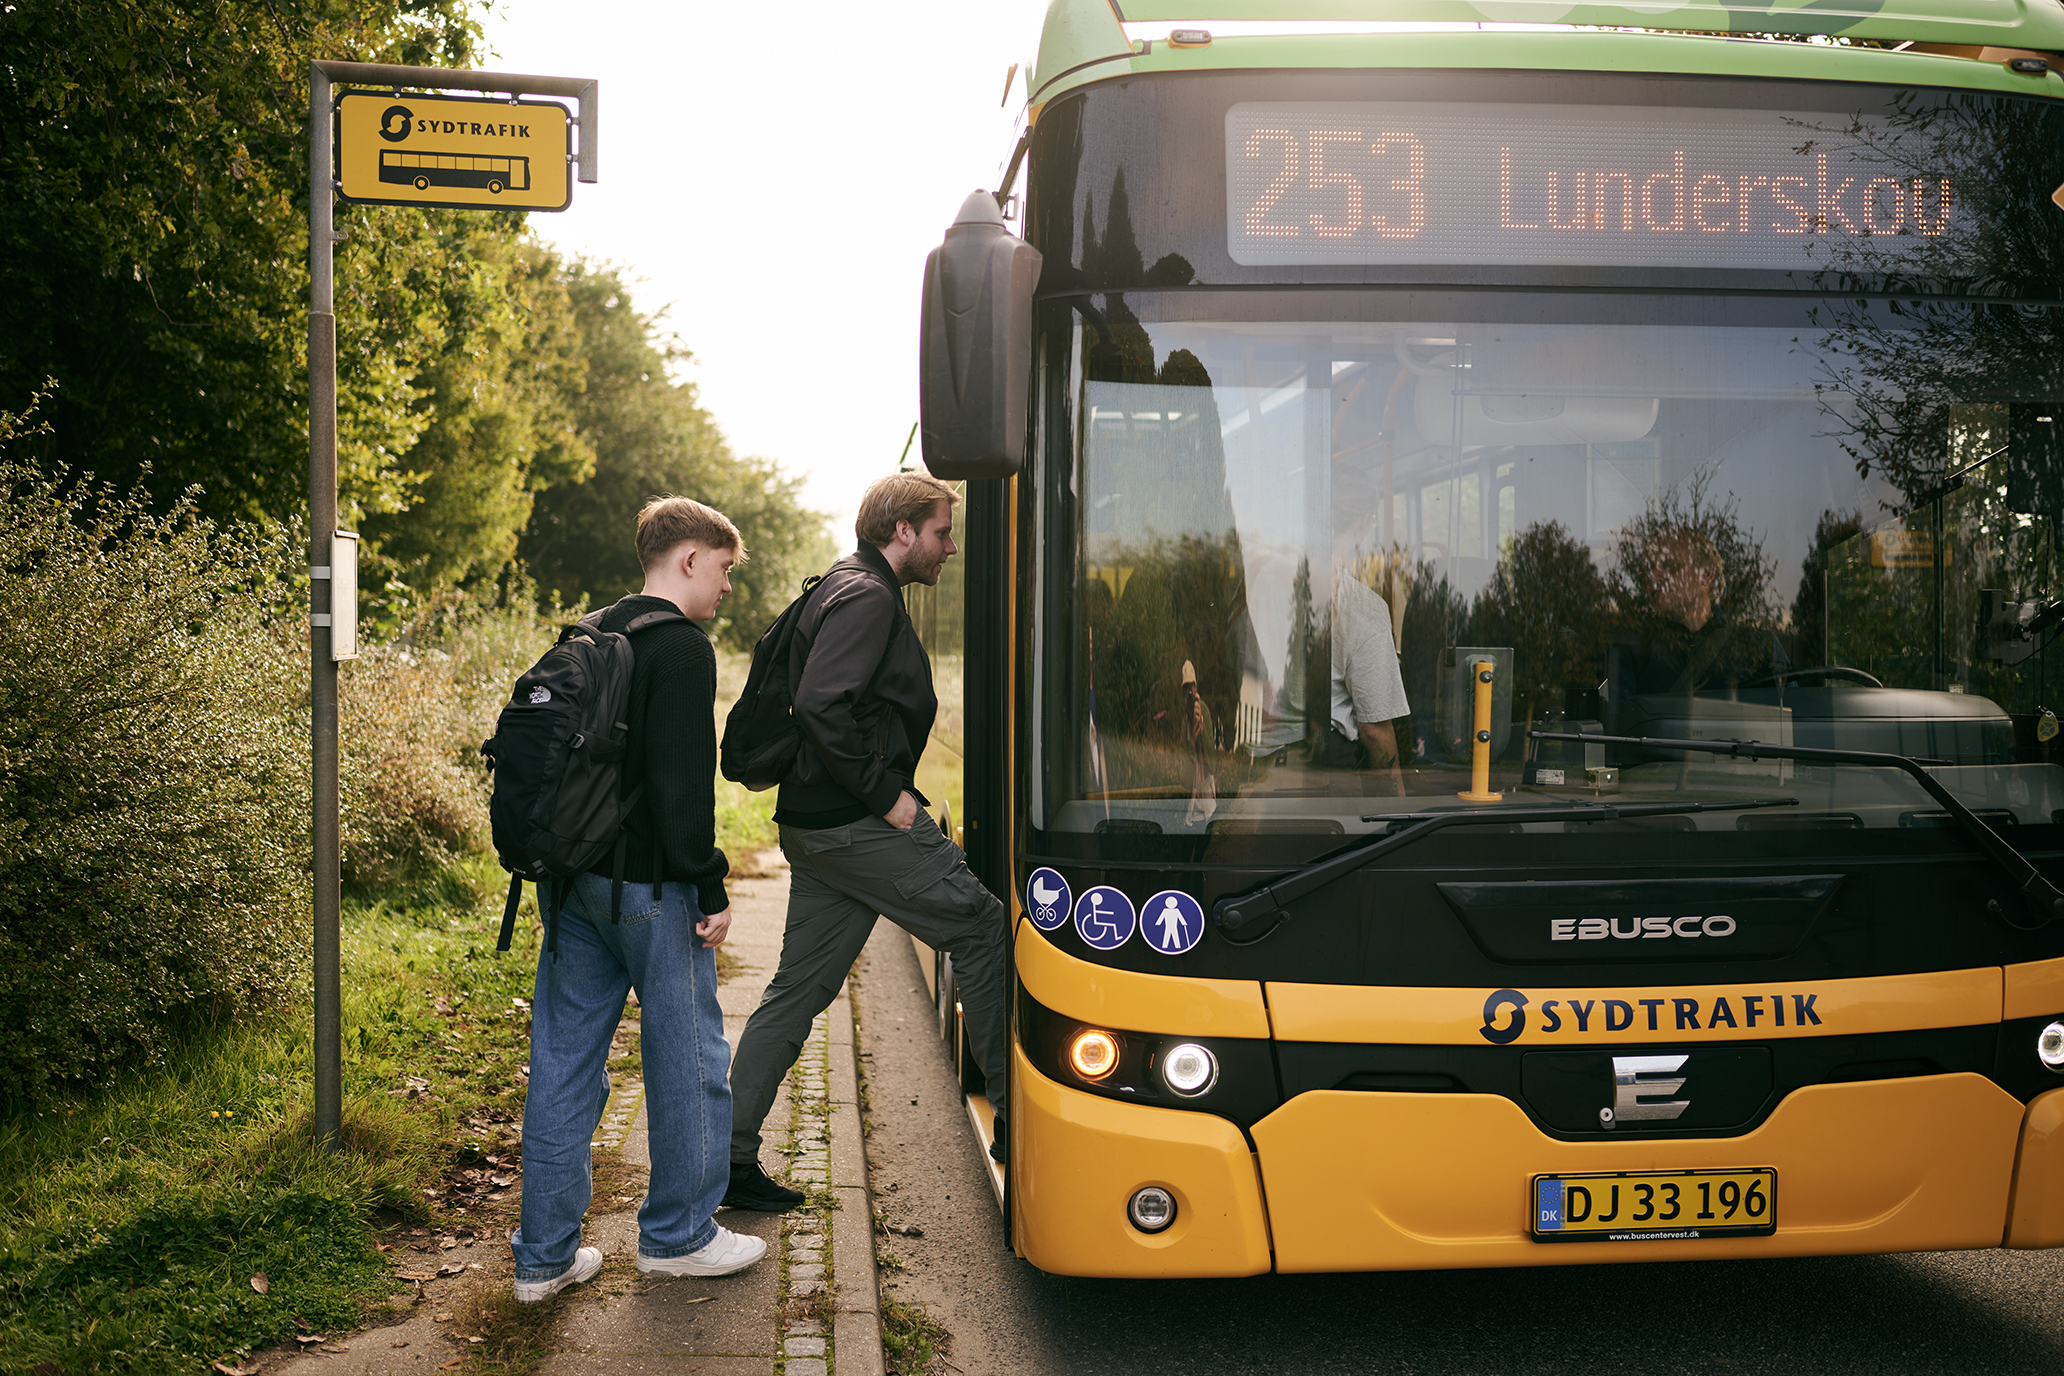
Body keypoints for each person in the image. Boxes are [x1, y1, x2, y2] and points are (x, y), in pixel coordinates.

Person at [723, 473, 1011, 1211]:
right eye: (943, 531)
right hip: (853, 824)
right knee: (980, 926)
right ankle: (1018, 1119)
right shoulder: (868, 596)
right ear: (903, 531)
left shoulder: (845, 585)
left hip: (819, 826)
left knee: (797, 991)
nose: (952, 546)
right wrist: (891, 800)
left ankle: (723, 1158)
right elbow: (822, 702)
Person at [511, 496, 766, 1302]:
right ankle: (678, 1238)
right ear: (687, 558)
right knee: (687, 1059)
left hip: (572, 882)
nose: (725, 587)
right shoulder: (682, 649)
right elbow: (679, 790)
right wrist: (712, 882)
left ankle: (542, 1261)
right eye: (723, 569)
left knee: (562, 1065)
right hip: (652, 891)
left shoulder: (592, 629)